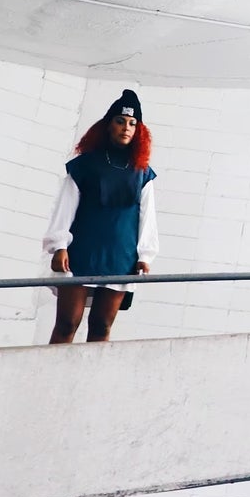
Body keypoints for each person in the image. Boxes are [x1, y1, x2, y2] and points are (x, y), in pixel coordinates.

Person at [43, 89, 157, 343]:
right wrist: (59, 245)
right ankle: (51, 378)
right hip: (80, 252)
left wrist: (144, 255)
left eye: (132, 123)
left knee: (102, 325)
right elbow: (65, 206)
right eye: (120, 121)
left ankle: (90, 381)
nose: (126, 128)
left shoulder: (142, 173)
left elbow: (147, 217)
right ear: (108, 125)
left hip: (121, 256)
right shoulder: (85, 165)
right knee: (66, 324)